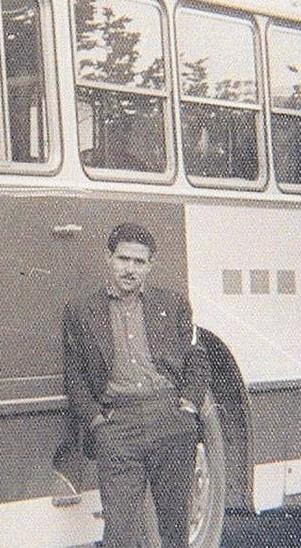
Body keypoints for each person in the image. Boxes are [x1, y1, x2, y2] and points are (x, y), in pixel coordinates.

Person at [62, 222, 209, 548]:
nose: (130, 269)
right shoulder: (81, 310)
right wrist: (98, 423)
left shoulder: (173, 305)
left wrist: (187, 408)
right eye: (123, 259)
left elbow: (198, 361)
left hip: (169, 420)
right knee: (119, 533)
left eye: (139, 262)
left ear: (150, 265)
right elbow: (74, 376)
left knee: (174, 529)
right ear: (108, 258)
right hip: (118, 427)